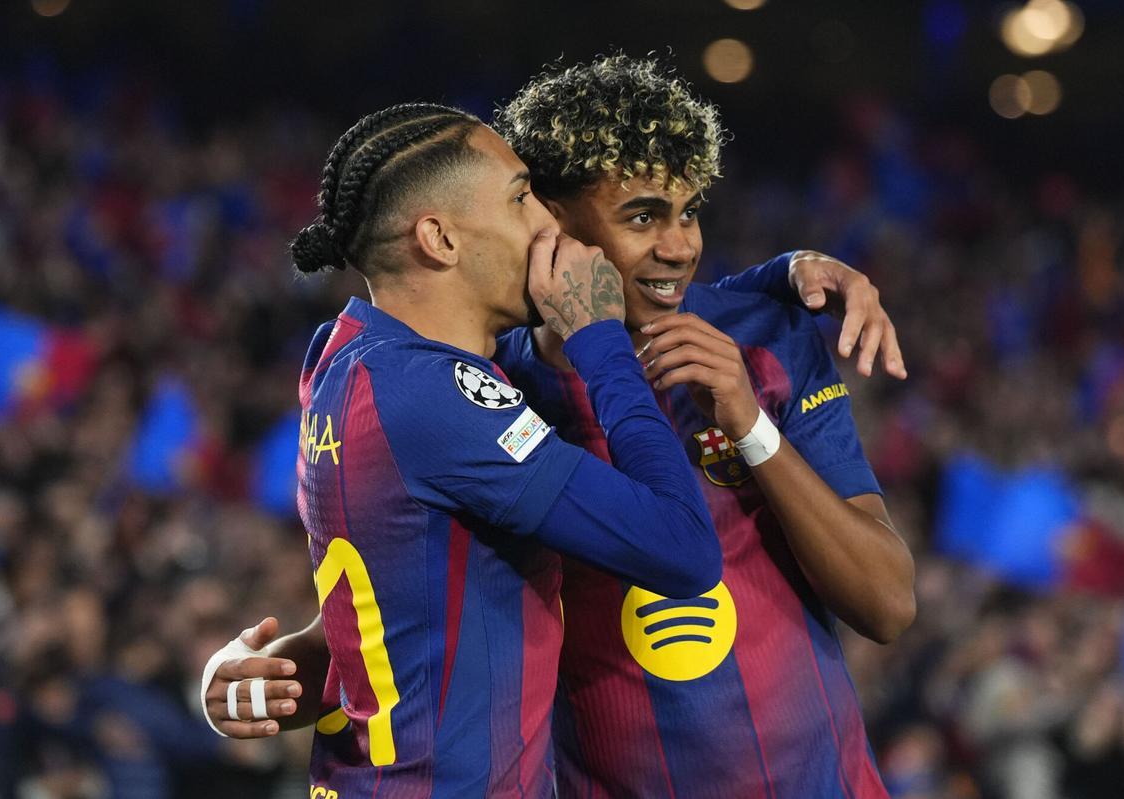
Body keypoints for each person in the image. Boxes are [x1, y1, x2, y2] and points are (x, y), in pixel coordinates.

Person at [203, 57, 914, 797]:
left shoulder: (767, 336)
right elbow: (398, 621)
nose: (680, 247)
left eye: (690, 210)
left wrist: (754, 423)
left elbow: (887, 603)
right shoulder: (487, 388)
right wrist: (272, 675)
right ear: (552, 217)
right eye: (642, 216)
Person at [255, 101, 728, 797]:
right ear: (439, 239)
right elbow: (682, 548)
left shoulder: (343, 356)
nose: (547, 221)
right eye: (520, 198)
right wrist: (600, 339)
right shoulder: (434, 396)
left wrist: (788, 273)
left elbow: (404, 602)